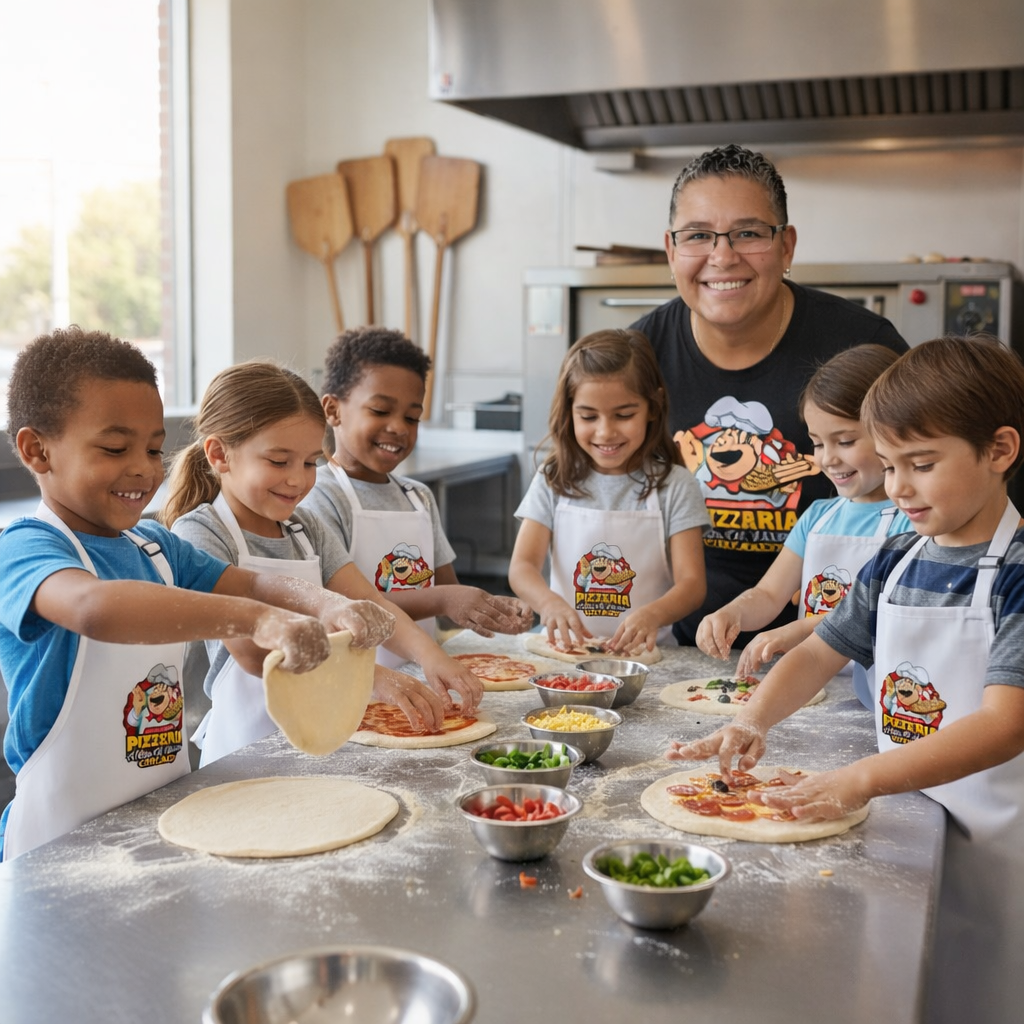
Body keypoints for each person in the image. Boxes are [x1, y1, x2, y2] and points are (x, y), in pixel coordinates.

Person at [668, 336, 1024, 1024]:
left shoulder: (1017, 576)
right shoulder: (897, 555)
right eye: (889, 466)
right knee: (902, 987)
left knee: (986, 991)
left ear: (1000, 450)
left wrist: (860, 777)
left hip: (997, 845)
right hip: (908, 815)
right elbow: (819, 652)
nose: (897, 489)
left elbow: (1005, 723)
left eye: (921, 465)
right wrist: (753, 720)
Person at [0, 329, 392, 860]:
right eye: (116, 448)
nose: (142, 466)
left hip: (162, 815)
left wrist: (328, 604)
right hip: (58, 840)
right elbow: (94, 609)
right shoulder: (26, 547)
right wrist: (256, 620)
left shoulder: (156, 546)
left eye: (154, 447)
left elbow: (253, 580)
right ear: (36, 450)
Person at [631, 143, 907, 646]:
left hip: (856, 641)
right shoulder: (640, 356)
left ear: (787, 246)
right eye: (698, 236)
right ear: (671, 250)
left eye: (749, 233)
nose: (722, 256)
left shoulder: (865, 348)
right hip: (687, 643)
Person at [163, 360, 485, 765]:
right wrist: (369, 677)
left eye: (310, 462)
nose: (298, 479)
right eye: (279, 461)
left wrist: (430, 656)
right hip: (244, 752)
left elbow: (374, 606)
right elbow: (251, 652)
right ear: (219, 454)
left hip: (321, 741)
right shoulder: (202, 533)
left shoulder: (306, 529)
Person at [302, 327, 533, 669]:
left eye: (412, 417)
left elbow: (449, 601)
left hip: (423, 676)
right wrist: (444, 599)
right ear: (333, 410)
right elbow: (340, 607)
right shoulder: (320, 497)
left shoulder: (417, 497)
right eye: (380, 411)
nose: (399, 427)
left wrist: (489, 609)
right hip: (355, 684)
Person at [695, 344, 911, 707]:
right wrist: (732, 612)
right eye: (816, 443)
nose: (828, 458)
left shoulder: (912, 518)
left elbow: (877, 614)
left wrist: (800, 630)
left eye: (845, 441)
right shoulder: (817, 516)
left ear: (892, 429)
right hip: (810, 687)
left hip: (880, 691)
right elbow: (767, 595)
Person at [508, 329, 709, 653]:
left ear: (653, 407)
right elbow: (522, 567)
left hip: (647, 657)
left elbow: (692, 584)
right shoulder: (555, 478)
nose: (605, 431)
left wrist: (653, 614)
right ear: (569, 411)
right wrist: (548, 604)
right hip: (565, 652)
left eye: (624, 415)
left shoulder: (675, 485)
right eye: (588, 416)